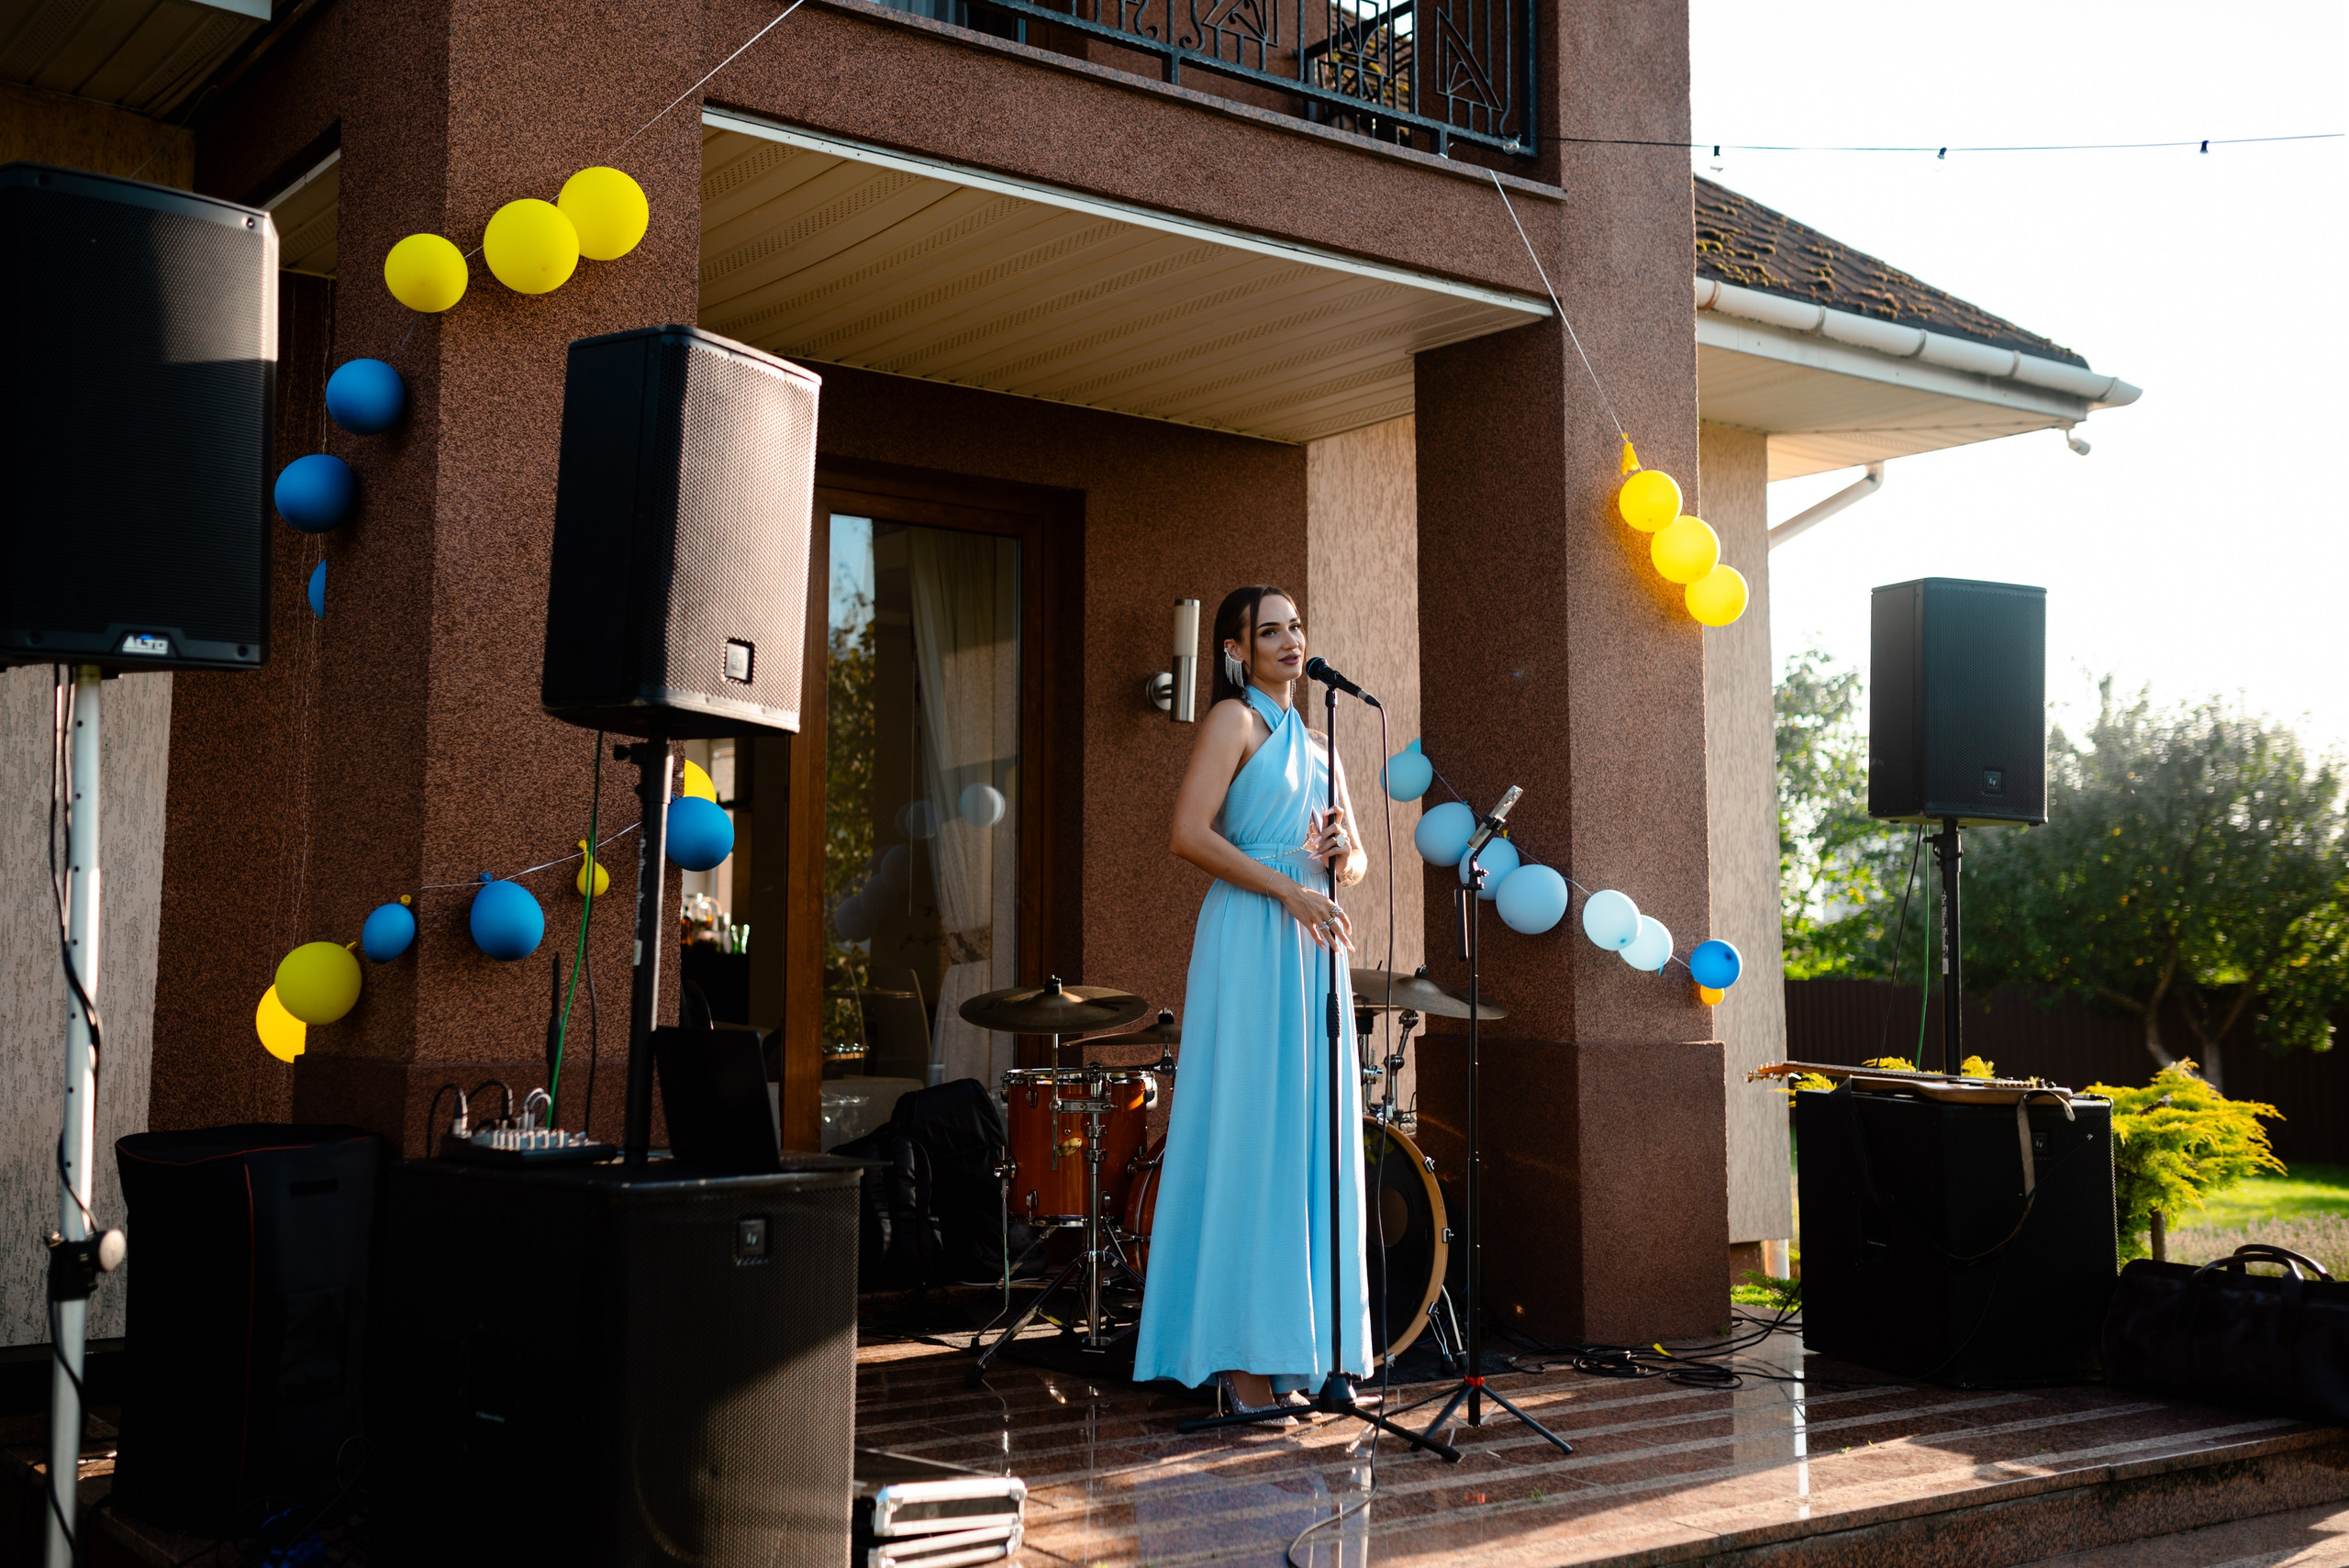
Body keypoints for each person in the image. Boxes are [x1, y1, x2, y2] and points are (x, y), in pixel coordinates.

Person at [1130, 585, 1372, 1418]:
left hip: (1312, 947)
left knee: (1303, 1139)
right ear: (1235, 651)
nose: (1289, 639)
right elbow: (1188, 834)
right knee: (1250, 1136)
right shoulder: (1233, 722)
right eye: (1269, 630)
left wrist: (1349, 854)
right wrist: (1289, 890)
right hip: (1254, 936)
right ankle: (1235, 1362)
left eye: (1297, 625)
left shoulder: (1321, 740)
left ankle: (1288, 1350)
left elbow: (1357, 863)